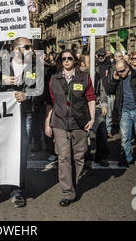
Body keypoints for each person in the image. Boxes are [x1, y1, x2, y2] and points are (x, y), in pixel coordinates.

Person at [0, 37, 43, 208]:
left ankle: (17, 190)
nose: (31, 49)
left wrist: (28, 95)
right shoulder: (0, 63)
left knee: (21, 154)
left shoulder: (35, 66)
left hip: (25, 116)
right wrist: (1, 81)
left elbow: (41, 90)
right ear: (16, 48)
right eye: (27, 47)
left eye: (31, 47)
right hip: (2, 117)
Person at [45, 49, 96, 206]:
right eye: (63, 58)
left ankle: (72, 185)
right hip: (59, 123)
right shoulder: (54, 79)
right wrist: (48, 123)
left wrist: (92, 118)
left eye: (69, 58)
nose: (66, 61)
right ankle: (68, 193)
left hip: (79, 123)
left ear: (75, 60)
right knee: (64, 157)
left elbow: (91, 98)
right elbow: (51, 103)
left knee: (78, 157)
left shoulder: (84, 78)